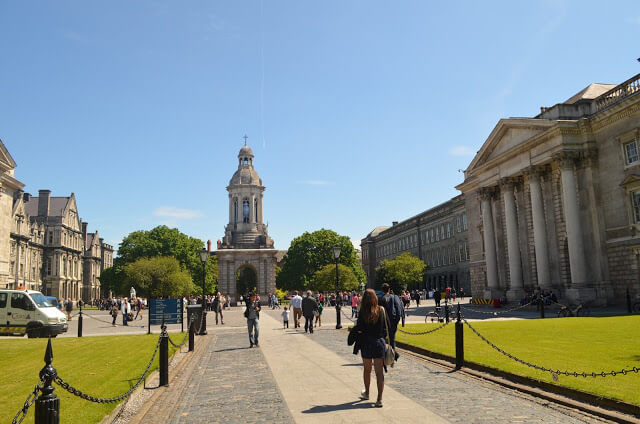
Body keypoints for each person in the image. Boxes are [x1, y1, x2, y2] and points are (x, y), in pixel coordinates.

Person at [352, 289, 387, 408]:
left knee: (367, 370)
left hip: (366, 342)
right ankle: (379, 398)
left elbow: (359, 328)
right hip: (379, 342)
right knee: (379, 372)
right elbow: (386, 328)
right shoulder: (381, 310)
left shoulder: (362, 312)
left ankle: (367, 392)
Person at [378, 283, 403, 355]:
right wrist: (396, 321)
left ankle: (383, 354)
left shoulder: (380, 299)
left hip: (384, 323)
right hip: (392, 321)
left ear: (382, 290)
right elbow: (398, 310)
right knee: (392, 340)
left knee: (382, 339)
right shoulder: (394, 297)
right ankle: (392, 355)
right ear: (389, 289)